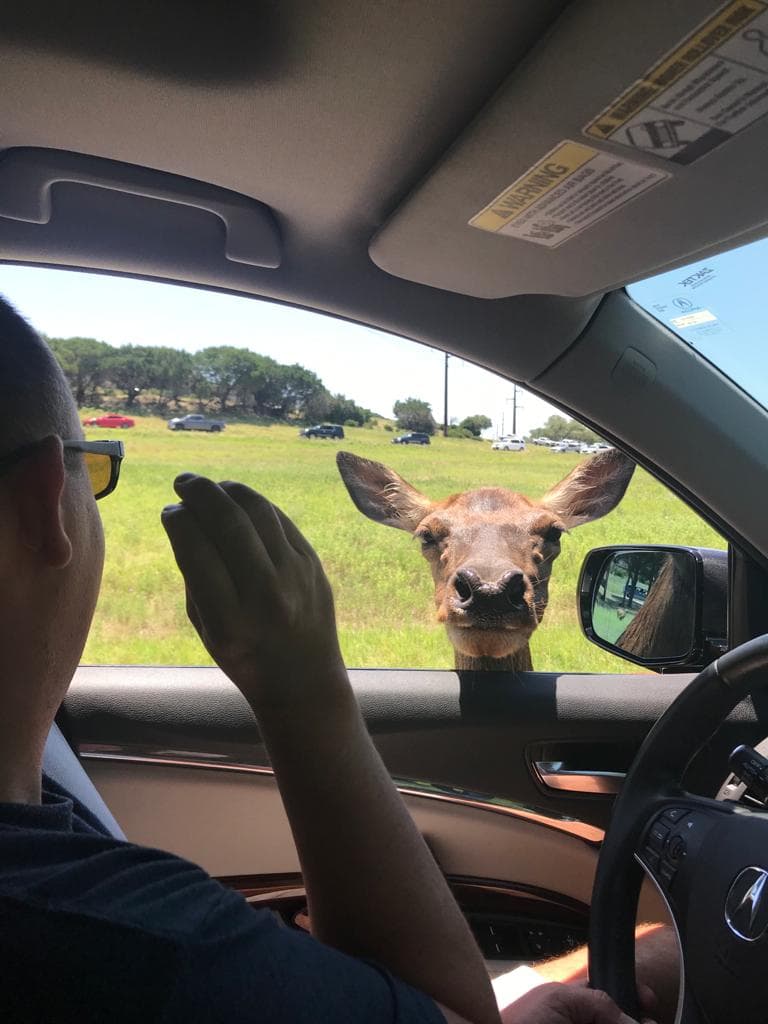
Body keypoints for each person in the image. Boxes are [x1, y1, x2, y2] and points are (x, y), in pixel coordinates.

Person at [0, 295, 643, 1023]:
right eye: (99, 469)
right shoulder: (150, 951)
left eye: (543, 538)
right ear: (44, 502)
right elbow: (444, 1013)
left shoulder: (53, 822)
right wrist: (300, 684)